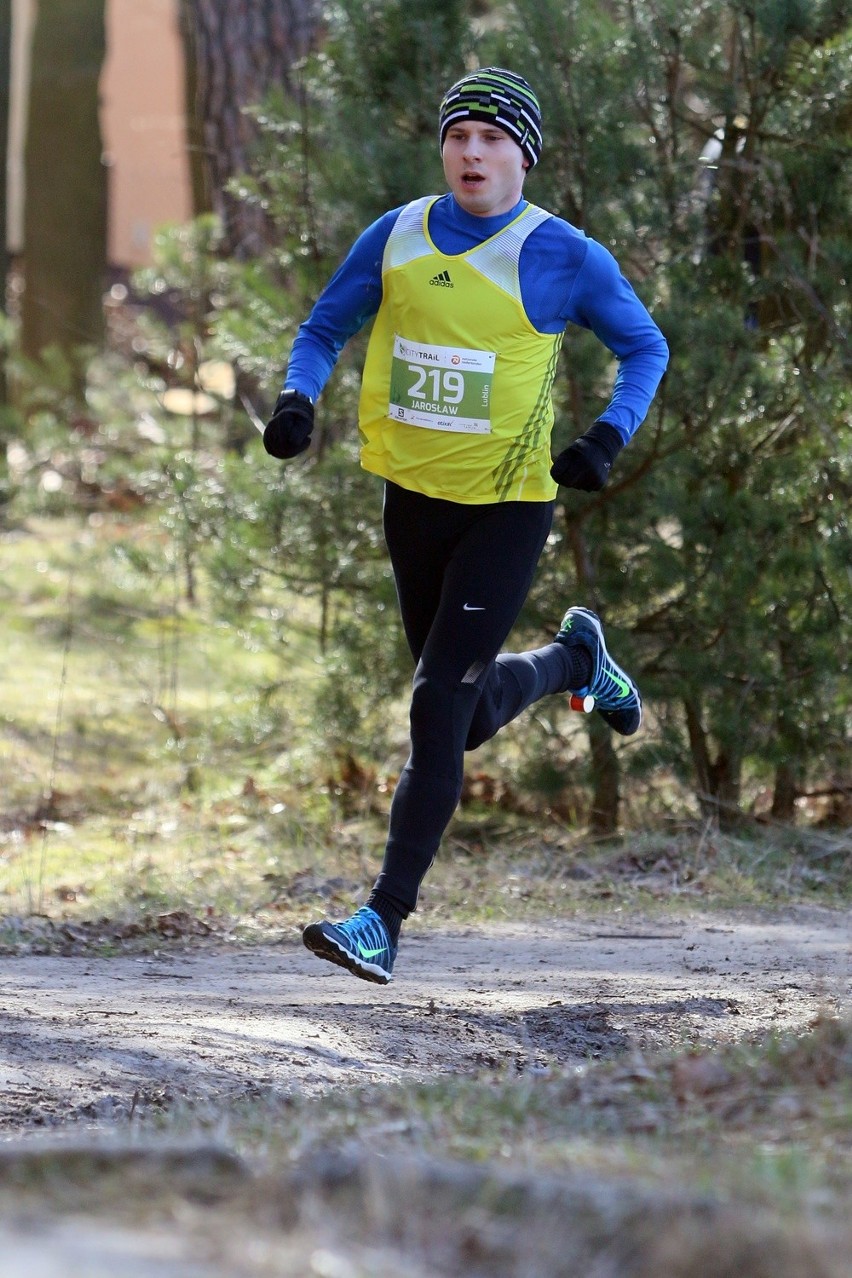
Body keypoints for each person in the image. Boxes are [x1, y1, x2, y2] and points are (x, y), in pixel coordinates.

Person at [263, 67, 669, 985]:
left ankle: (382, 920)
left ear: (522, 153)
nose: (472, 152)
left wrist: (606, 435)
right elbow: (325, 326)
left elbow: (647, 346)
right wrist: (297, 400)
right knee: (468, 717)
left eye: (492, 138)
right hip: (410, 500)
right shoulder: (399, 233)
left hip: (508, 507)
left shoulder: (564, 254)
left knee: (436, 704)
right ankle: (575, 662)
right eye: (459, 136)